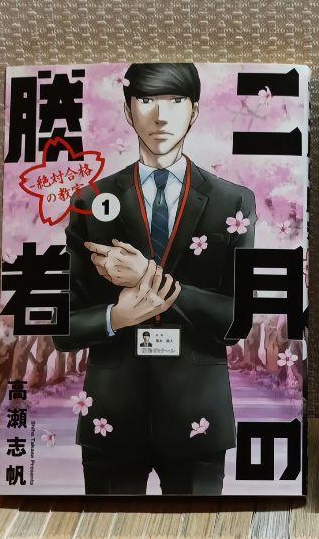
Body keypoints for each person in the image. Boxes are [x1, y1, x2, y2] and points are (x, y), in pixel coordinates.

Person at [55, 62, 256, 495]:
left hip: (197, 415)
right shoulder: (91, 200)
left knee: (202, 536)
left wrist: (147, 275)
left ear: (194, 110)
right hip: (113, 413)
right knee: (103, 534)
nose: (161, 116)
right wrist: (116, 317)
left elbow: (237, 321)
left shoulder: (232, 201)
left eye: (175, 100)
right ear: (128, 111)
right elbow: (62, 327)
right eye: (146, 100)